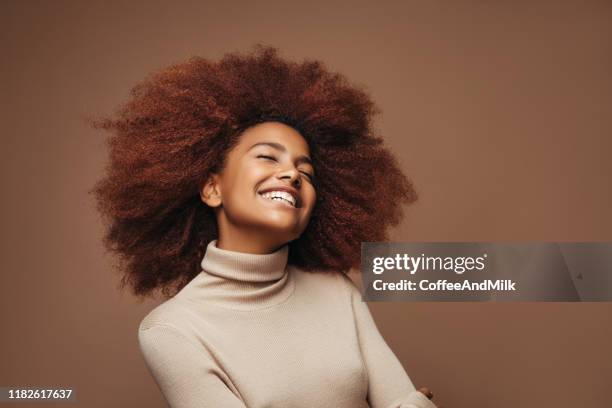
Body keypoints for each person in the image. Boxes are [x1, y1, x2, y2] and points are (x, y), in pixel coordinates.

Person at [91, 45, 438, 408]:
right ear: (212, 188)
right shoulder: (172, 330)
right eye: (267, 157)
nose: (291, 174)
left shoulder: (336, 290)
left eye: (306, 172)